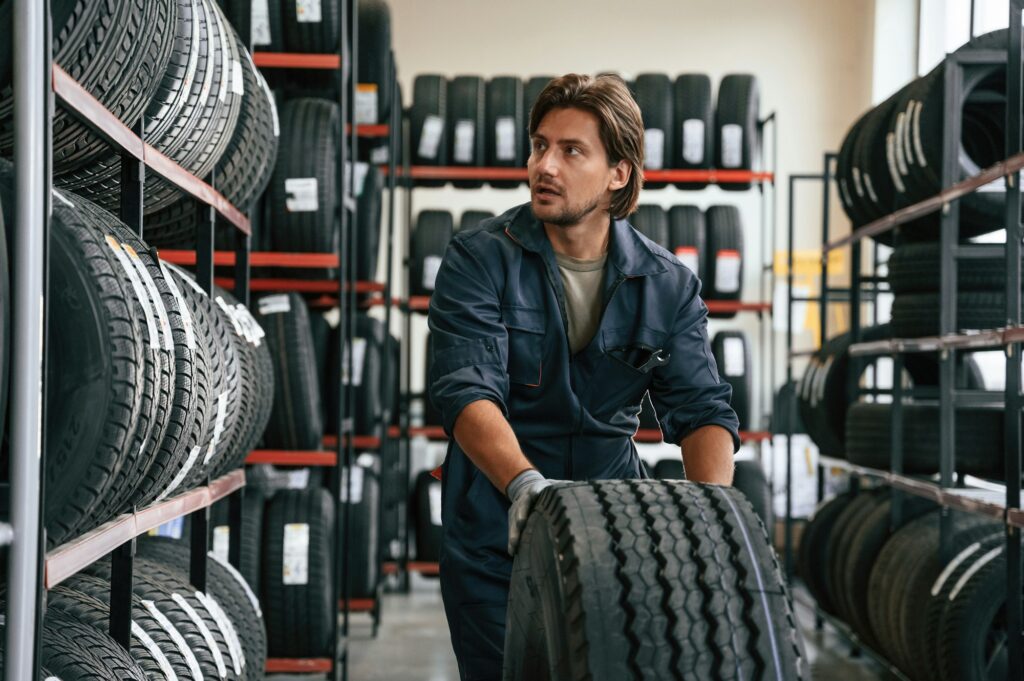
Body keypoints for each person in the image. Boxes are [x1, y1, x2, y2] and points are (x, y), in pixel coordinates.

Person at [427, 73, 739, 680]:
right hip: (498, 525)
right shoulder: (479, 259)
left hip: (613, 530)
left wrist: (714, 519)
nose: (545, 165)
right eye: (540, 145)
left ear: (618, 173)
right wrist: (525, 486)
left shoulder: (666, 284)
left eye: (572, 151)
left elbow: (702, 410)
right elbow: (466, 389)